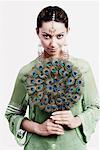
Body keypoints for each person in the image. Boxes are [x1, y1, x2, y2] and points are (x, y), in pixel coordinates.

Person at [5, 6, 100, 150]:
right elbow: (12, 114)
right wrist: (38, 128)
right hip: (37, 146)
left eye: (59, 36)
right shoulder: (26, 72)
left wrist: (76, 120)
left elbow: (96, 108)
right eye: (47, 36)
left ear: (68, 31)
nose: (53, 44)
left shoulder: (82, 69)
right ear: (37, 32)